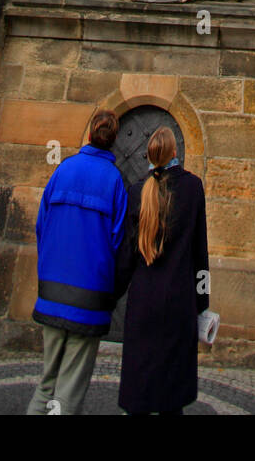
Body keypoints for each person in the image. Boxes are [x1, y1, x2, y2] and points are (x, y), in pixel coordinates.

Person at [27, 109, 127, 416]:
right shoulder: (114, 180)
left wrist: (48, 268)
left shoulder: (64, 169)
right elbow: (119, 242)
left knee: (46, 383)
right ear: (114, 141)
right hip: (90, 297)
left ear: (88, 135)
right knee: (69, 389)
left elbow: (42, 225)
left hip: (53, 291)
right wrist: (111, 290)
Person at [115, 126, 209, 416]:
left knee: (139, 387)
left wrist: (110, 296)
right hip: (179, 300)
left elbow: (127, 255)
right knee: (172, 391)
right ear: (175, 152)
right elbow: (199, 253)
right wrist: (202, 304)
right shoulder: (192, 188)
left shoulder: (138, 191)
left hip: (143, 300)